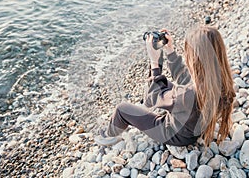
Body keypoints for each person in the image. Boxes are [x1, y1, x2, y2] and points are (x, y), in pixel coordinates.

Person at [95, 26, 235, 147]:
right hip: (195, 125)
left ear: (195, 59)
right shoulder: (220, 81)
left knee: (122, 109)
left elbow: (151, 99)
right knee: (166, 85)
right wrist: (170, 51)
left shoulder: (187, 94)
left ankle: (107, 135)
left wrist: (154, 62)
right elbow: (186, 78)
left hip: (176, 135)